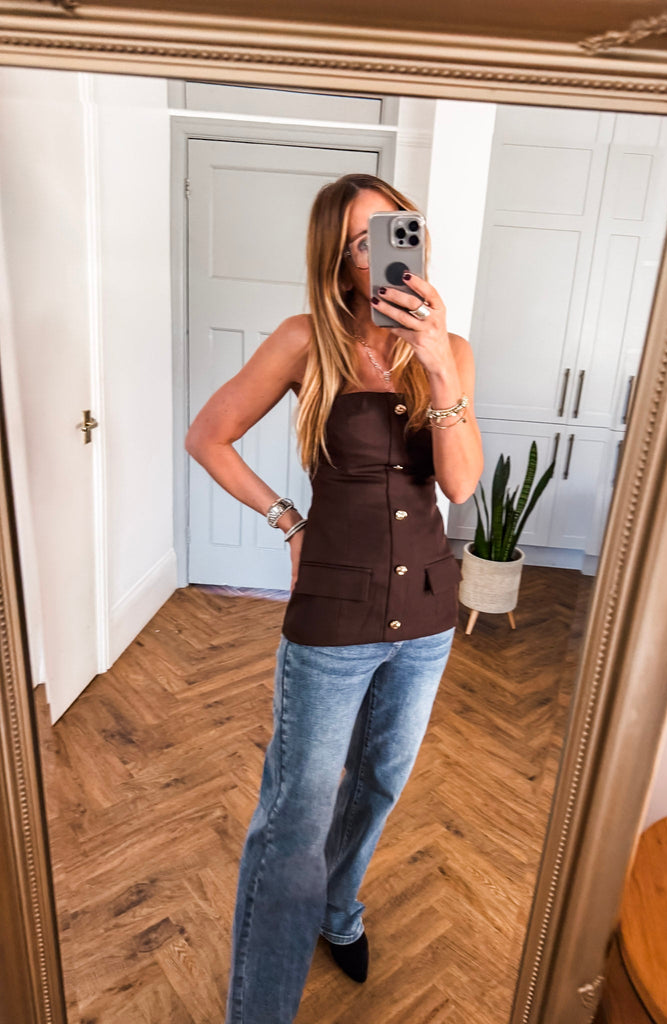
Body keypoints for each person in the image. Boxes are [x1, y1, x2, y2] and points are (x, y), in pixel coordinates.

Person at [185, 172, 483, 1024]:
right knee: (294, 817)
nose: (384, 249)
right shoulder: (302, 340)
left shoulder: (452, 349)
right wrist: (287, 519)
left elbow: (461, 486)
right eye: (363, 240)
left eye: (395, 228)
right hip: (332, 618)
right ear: (340, 260)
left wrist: (436, 365)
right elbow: (208, 436)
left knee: (378, 785)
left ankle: (338, 908)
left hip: (425, 616)